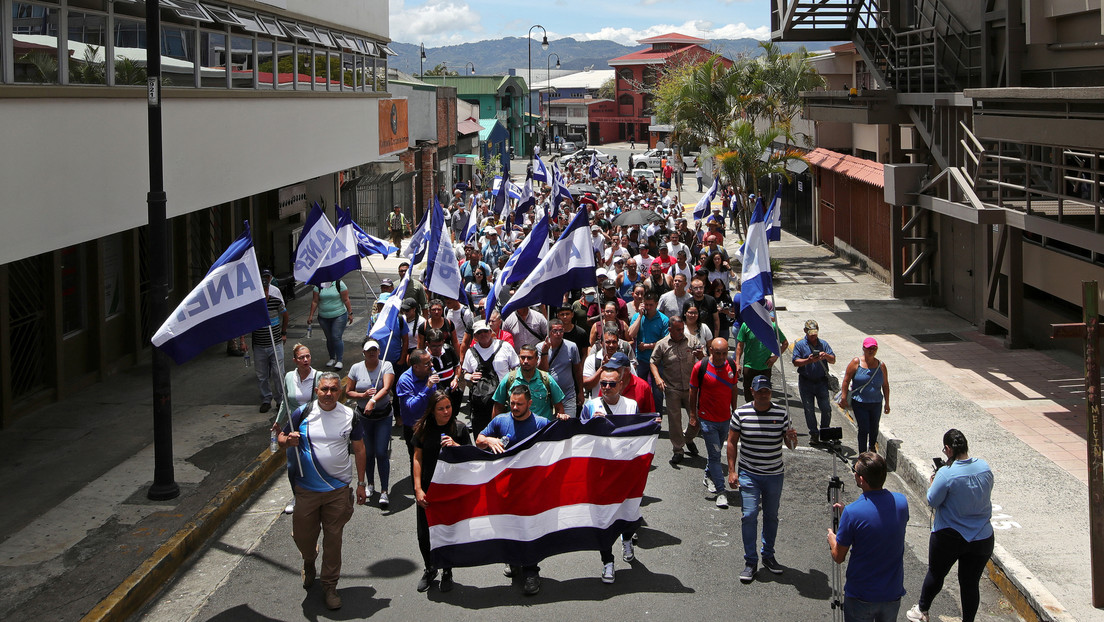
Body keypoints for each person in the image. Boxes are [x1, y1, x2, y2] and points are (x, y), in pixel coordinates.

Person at [277, 372, 366, 611]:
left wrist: (361, 483)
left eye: (334, 390)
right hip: (306, 490)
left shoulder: (350, 416)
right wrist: (288, 441)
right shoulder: (302, 413)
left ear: (341, 392)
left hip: (338, 490)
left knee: (333, 539)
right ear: (317, 390)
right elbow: (280, 437)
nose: (329, 394)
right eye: (324, 389)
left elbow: (359, 450)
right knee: (303, 536)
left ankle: (329, 586)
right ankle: (309, 559)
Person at [906, 430, 994, 622]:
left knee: (936, 574)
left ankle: (922, 610)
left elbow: (933, 500)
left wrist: (934, 481)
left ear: (948, 449)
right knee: (970, 584)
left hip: (950, 536)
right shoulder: (984, 467)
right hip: (982, 537)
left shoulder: (946, 474)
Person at [476, 385, 552, 595]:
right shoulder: (501, 421)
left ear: (530, 403)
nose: (515, 407)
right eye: (512, 403)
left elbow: (557, 448)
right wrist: (490, 439)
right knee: (508, 527)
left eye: (519, 404)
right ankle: (513, 560)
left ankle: (531, 572)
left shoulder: (541, 423)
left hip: (531, 489)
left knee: (529, 530)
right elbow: (479, 440)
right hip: (506, 489)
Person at [727, 375, 798, 584]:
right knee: (748, 515)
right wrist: (732, 471)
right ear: (752, 391)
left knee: (771, 516)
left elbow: (790, 446)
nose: (763, 394)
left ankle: (768, 555)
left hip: (774, 474)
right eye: (759, 391)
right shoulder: (741, 414)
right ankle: (750, 561)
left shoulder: (781, 413)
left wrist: (791, 438)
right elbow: (732, 442)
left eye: (766, 390)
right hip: (749, 473)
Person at [827, 452, 909, 622]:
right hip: (892, 593)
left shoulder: (852, 513)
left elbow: (838, 556)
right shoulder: (901, 503)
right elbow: (880, 522)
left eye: (856, 472)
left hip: (861, 595)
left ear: (862, 480)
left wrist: (831, 538)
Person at [578, 367, 640, 584]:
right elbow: (580, 438)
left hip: (625, 471)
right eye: (603, 383)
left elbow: (638, 436)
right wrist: (591, 425)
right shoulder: (590, 405)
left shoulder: (631, 406)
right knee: (603, 520)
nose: (605, 388)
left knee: (630, 514)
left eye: (611, 384)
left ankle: (627, 537)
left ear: (621, 385)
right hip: (600, 473)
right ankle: (608, 561)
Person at [412, 390, 472, 593]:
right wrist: (418, 488)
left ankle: (447, 570)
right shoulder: (423, 429)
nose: (446, 412)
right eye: (441, 408)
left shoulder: (460, 429)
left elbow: (471, 460)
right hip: (428, 491)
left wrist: (456, 446)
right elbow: (417, 458)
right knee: (424, 534)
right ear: (432, 411)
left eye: (448, 407)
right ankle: (430, 568)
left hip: (450, 491)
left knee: (447, 531)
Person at [690, 338, 741, 508]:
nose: (721, 357)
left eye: (724, 353)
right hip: (707, 419)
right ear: (710, 350)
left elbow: (733, 388)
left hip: (725, 419)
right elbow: (693, 391)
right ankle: (721, 491)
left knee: (715, 452)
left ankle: (708, 475)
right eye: (717, 353)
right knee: (715, 454)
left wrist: (735, 410)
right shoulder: (700, 367)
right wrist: (693, 414)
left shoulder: (731, 366)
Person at [344, 339, 395, 510]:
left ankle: (384, 490)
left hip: (383, 416)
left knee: (381, 452)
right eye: (368, 350)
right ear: (363, 353)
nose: (372, 353)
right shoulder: (355, 368)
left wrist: (373, 400)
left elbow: (386, 388)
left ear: (379, 351)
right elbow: (348, 392)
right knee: (368, 453)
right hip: (363, 418)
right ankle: (370, 484)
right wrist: (363, 395)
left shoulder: (386, 365)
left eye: (375, 350)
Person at [275, 344, 324, 515]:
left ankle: (317, 495)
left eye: (308, 356)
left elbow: (325, 403)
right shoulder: (289, 377)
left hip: (312, 426)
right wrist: (278, 421)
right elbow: (285, 402)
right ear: (295, 360)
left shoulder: (318, 376)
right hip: (293, 426)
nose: (305, 360)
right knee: (293, 465)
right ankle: (297, 497)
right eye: (302, 357)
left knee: (313, 462)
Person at [650, 315, 704, 464]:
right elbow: (653, 362)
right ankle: (678, 450)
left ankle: (687, 439)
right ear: (670, 329)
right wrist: (657, 378)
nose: (681, 332)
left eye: (682, 329)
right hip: (672, 388)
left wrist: (701, 356)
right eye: (678, 329)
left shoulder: (692, 341)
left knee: (697, 419)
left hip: (691, 388)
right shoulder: (662, 344)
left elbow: (705, 359)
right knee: (675, 421)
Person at [462, 320, 520, 434]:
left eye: (485, 331)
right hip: (480, 402)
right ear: (475, 336)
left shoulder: (505, 346)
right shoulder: (470, 352)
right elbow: (465, 373)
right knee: (481, 434)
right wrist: (470, 377)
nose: (483, 334)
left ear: (491, 332)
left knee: (502, 433)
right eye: (479, 332)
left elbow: (516, 367)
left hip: (503, 399)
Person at [838, 337, 891, 454]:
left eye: (874, 348)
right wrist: (843, 397)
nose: (871, 351)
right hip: (860, 403)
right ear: (863, 349)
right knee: (864, 428)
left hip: (876, 403)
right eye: (868, 348)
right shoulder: (856, 363)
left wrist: (887, 403)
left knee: (874, 428)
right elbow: (846, 381)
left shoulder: (881, 365)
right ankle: (862, 454)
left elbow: (885, 385)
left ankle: (872, 447)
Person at [492, 344, 567, 421]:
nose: (525, 361)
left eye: (529, 358)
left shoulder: (546, 379)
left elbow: (559, 407)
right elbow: (498, 407)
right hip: (516, 430)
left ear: (537, 359)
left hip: (541, 430)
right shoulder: (509, 379)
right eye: (523, 357)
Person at [792, 319, 837, 445]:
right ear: (805, 331)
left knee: (826, 408)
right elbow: (795, 362)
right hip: (806, 382)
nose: (813, 336)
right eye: (811, 333)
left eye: (815, 333)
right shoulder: (800, 345)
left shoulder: (824, 344)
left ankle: (824, 431)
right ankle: (814, 433)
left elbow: (833, 360)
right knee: (809, 409)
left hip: (821, 382)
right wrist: (808, 360)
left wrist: (826, 356)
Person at [627, 290, 669, 412]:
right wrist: (640, 316)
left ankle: (657, 418)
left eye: (651, 305)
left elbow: (664, 342)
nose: (649, 308)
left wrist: (647, 346)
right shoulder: (638, 317)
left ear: (656, 304)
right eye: (647, 305)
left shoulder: (664, 320)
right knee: (639, 391)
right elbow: (631, 334)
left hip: (657, 362)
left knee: (657, 393)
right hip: (641, 361)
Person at [254, 270, 289, 413]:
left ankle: (280, 399)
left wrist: (283, 333)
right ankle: (266, 399)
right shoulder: (255, 306)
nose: (265, 293)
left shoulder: (276, 301)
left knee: (278, 373)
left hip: (275, 343)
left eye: (266, 290)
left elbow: (285, 316)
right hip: (259, 345)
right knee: (262, 375)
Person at [734, 312, 788, 403]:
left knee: (763, 397)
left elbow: (785, 343)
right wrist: (737, 363)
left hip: (765, 367)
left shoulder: (772, 326)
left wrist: (775, 357)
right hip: (749, 367)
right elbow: (740, 345)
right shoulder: (746, 325)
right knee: (749, 396)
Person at [397, 349, 439, 459]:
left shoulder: (430, 372)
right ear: (415, 367)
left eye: (431, 361)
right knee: (417, 460)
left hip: (431, 423)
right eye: (427, 363)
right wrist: (427, 387)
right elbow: (412, 407)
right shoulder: (405, 381)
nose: (431, 365)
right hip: (414, 427)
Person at [538, 319, 584, 418]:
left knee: (568, 425)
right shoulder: (540, 347)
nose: (558, 334)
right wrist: (544, 353)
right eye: (555, 331)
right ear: (549, 332)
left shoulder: (572, 347)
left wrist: (580, 391)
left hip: (567, 395)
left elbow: (578, 370)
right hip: (546, 396)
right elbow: (542, 371)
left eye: (561, 331)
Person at [308, 280, 353, 369]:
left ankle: (339, 360)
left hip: (339, 315)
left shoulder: (339, 284)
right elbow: (315, 301)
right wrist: (311, 315)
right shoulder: (318, 286)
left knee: (336, 337)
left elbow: (346, 299)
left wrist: (350, 313)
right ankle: (332, 358)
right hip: (323, 317)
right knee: (329, 338)